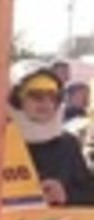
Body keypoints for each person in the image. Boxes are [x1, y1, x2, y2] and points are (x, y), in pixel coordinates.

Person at [8, 60, 94, 207]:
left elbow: (89, 195)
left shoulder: (68, 143)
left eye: (52, 95)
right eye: (36, 95)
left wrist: (66, 195)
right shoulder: (0, 144)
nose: (46, 103)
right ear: (17, 99)